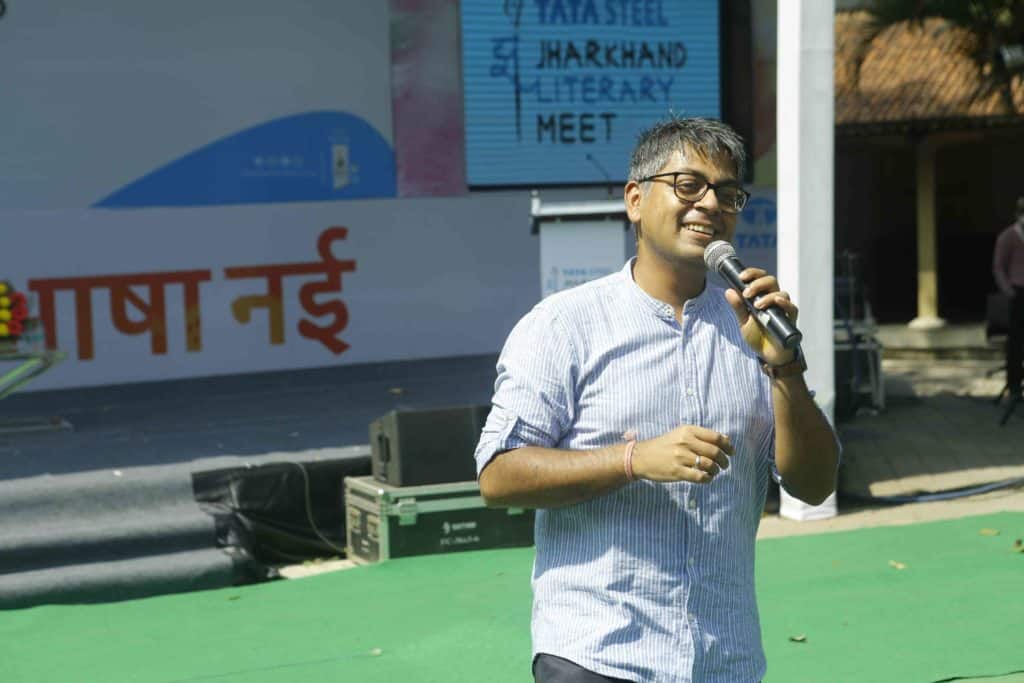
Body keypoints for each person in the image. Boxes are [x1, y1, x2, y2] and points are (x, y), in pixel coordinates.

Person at [474, 116, 841, 683]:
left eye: (727, 193)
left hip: (724, 660)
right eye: (688, 185)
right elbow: (499, 475)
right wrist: (633, 459)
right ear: (635, 200)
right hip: (598, 656)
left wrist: (785, 367)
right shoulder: (563, 325)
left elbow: (814, 485)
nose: (710, 204)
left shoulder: (753, 327)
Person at [992, 197, 1024, 402]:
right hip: (1017, 291)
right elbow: (998, 267)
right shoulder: (1008, 236)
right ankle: (1014, 385)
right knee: (1016, 343)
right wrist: (1008, 290)